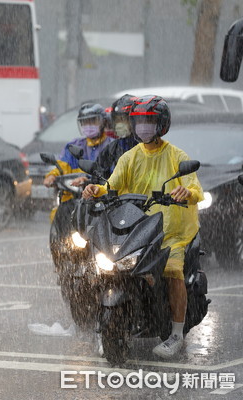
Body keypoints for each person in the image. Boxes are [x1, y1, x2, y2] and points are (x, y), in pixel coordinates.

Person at [82, 95, 204, 359]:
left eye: (149, 121)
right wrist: (97, 189)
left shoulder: (176, 156)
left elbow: (194, 187)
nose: (143, 127)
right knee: (104, 263)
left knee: (172, 271)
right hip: (138, 223)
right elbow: (112, 185)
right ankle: (106, 325)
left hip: (171, 228)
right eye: (139, 122)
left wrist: (185, 192)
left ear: (161, 124)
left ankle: (175, 334)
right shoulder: (130, 157)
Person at [43, 103, 114, 194]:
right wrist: (52, 176)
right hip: (75, 197)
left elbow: (114, 176)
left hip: (102, 196)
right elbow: (63, 166)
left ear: (103, 122)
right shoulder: (74, 145)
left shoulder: (112, 146)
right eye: (85, 122)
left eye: (92, 121)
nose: (88, 125)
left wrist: (88, 179)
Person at [97, 94, 139, 178]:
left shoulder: (149, 147)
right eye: (117, 120)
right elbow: (99, 176)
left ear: (136, 119)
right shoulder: (111, 150)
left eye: (123, 119)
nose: (119, 124)